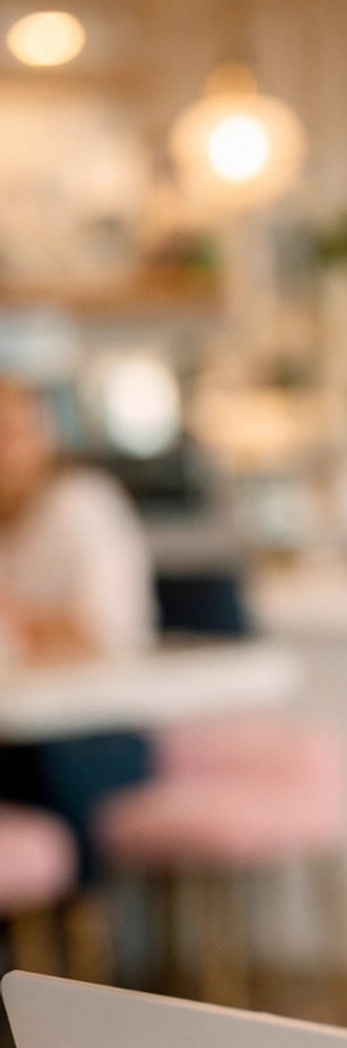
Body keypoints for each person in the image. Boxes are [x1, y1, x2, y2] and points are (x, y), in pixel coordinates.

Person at [0, 379, 155, 904]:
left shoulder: (80, 505)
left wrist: (19, 620)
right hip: (18, 730)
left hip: (100, 733)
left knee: (48, 770)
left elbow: (104, 630)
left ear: (43, 438)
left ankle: (76, 948)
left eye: (10, 433)